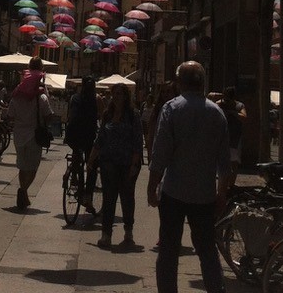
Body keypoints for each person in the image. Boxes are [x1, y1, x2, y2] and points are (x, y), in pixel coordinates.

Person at [147, 61, 232, 293]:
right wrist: (221, 194)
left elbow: (161, 151)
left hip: (174, 191)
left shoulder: (172, 109)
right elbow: (225, 162)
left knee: (168, 251)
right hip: (204, 194)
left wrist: (152, 185)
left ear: (179, 82)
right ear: (202, 83)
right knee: (207, 250)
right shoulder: (217, 113)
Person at [88, 82, 144, 249]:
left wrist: (135, 162)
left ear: (126, 97)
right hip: (108, 163)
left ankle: (128, 232)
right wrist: (92, 158)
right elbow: (101, 138)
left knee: (127, 199)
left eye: (120, 94)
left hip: (127, 163)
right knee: (109, 198)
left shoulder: (133, 115)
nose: (117, 97)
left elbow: (137, 139)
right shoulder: (107, 114)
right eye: (115, 94)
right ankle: (106, 235)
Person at [6, 57, 53, 210]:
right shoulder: (42, 97)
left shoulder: (16, 96)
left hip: (19, 135)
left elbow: (10, 116)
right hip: (34, 135)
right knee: (32, 167)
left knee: (22, 166)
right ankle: (23, 190)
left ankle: (23, 192)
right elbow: (48, 116)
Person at [64, 75, 99, 214]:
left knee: (77, 155)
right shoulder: (97, 99)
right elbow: (103, 117)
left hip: (73, 136)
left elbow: (69, 116)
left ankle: (73, 175)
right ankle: (87, 197)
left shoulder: (74, 98)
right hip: (89, 136)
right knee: (91, 166)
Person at [217, 87, 246, 186]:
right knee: (222, 164)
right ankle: (223, 185)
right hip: (221, 138)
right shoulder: (219, 104)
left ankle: (231, 185)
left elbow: (244, 117)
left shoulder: (239, 106)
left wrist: (233, 112)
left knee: (233, 163)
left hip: (234, 138)